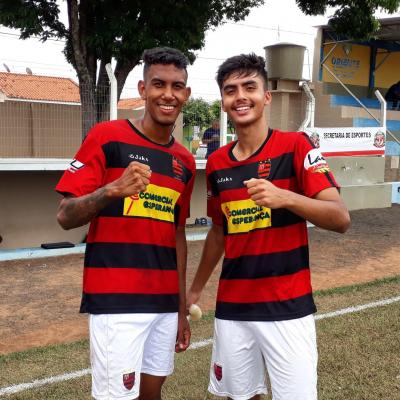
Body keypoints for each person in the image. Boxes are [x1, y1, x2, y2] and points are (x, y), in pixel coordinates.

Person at [187, 53, 350, 400]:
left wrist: (285, 197)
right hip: (234, 306)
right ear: (223, 101)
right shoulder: (217, 163)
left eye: (250, 87)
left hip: (287, 306)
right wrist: (195, 289)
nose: (240, 97)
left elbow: (339, 217)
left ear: (267, 96)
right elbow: (219, 231)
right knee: (241, 395)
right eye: (231, 90)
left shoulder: (296, 146)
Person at [56, 47, 195, 400]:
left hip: (164, 303)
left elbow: (177, 234)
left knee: (152, 394)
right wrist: (112, 189)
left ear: (186, 94)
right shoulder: (106, 137)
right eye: (159, 84)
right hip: (116, 301)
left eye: (177, 86)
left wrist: (181, 309)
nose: (168, 94)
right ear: (143, 89)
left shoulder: (185, 161)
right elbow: (65, 215)